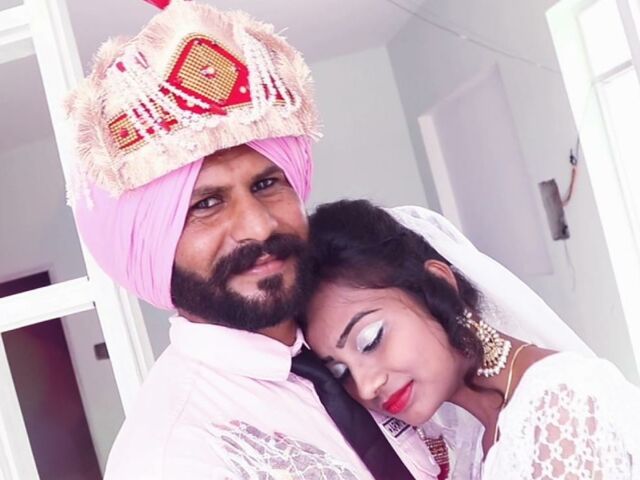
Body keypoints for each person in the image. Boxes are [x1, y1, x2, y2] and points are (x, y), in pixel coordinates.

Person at [65, 1, 444, 478]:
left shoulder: (369, 325)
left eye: (266, 184)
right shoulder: (173, 458)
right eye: (206, 204)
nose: (259, 227)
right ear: (149, 246)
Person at [303, 199, 640, 479]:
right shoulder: (476, 442)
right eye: (341, 371)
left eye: (370, 340)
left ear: (438, 285)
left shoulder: (560, 402)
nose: (366, 386)